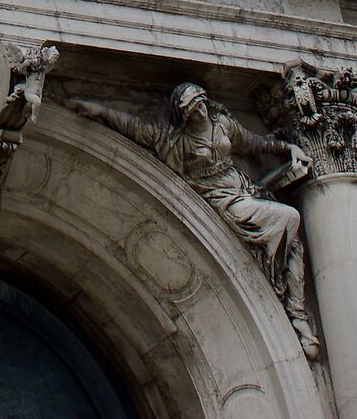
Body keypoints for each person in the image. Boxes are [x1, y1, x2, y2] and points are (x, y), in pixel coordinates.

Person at [67, 83, 321, 357]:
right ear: (183, 115)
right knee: (289, 217)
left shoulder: (222, 124)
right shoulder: (175, 140)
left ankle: (297, 315)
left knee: (293, 242)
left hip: (246, 190)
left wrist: (288, 148)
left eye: (201, 103)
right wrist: (99, 110)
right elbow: (132, 126)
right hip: (225, 202)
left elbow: (254, 144)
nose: (199, 111)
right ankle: (284, 294)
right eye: (192, 109)